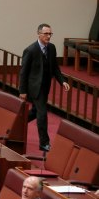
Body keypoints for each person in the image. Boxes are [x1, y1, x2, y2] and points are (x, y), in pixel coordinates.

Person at [19, 23, 71, 152]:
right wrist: (22, 91)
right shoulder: (30, 50)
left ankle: (16, 124)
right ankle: (44, 143)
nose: (48, 36)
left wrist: (62, 81)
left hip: (45, 86)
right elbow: (23, 72)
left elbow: (55, 68)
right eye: (46, 34)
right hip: (34, 88)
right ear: (39, 34)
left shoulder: (52, 48)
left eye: (50, 34)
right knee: (42, 113)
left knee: (35, 112)